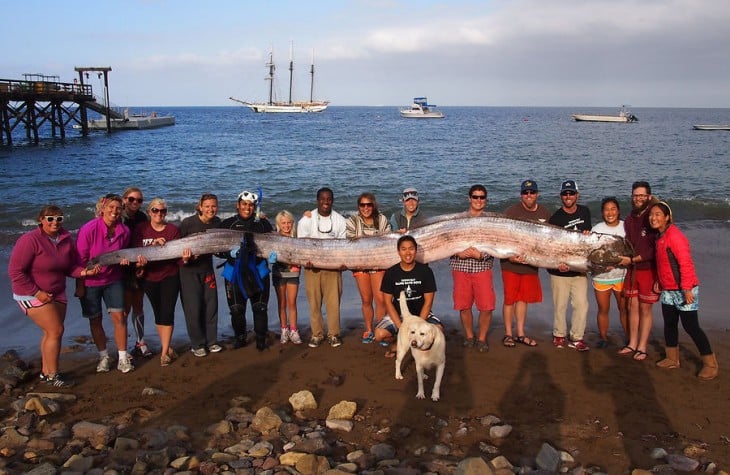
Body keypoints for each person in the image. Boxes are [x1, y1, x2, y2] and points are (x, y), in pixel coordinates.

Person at [8, 206, 99, 387]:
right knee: (55, 331)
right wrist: (37, 293)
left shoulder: (65, 240)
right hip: (30, 293)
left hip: (57, 292)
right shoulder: (30, 240)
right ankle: (53, 376)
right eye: (50, 219)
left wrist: (85, 273)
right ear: (41, 220)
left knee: (50, 333)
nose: (54, 222)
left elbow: (69, 268)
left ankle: (45, 372)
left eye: (59, 219)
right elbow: (16, 272)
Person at [649, 202, 718, 380]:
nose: (653, 218)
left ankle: (710, 364)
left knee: (691, 326)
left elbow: (685, 264)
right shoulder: (660, 236)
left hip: (684, 289)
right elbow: (663, 263)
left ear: (667, 217)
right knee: (669, 324)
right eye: (651, 215)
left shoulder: (675, 236)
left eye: (658, 214)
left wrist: (687, 289)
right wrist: (659, 280)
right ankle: (672, 358)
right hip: (668, 290)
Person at [76, 194, 134, 374]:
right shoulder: (88, 229)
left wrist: (125, 261)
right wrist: (80, 284)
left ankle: (123, 358)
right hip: (90, 281)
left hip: (113, 279)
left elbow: (123, 254)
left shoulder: (124, 231)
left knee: (120, 317)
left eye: (118, 208)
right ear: (102, 208)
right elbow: (80, 260)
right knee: (95, 320)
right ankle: (104, 356)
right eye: (111, 207)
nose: (114, 211)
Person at [219, 190, 273, 351]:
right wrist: (227, 253)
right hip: (234, 273)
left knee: (260, 307)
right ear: (238, 205)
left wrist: (272, 256)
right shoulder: (227, 224)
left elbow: (273, 245)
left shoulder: (263, 224)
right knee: (237, 310)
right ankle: (240, 338)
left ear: (254, 207)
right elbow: (215, 248)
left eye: (250, 205)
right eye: (244, 204)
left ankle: (261, 339)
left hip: (258, 271)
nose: (247, 208)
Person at [500, 179, 551, 348]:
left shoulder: (545, 213)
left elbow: (550, 242)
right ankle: (508, 334)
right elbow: (500, 237)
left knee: (523, 300)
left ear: (537, 194)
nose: (529, 195)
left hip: (530, 265)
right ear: (521, 194)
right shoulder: (511, 211)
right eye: (525, 193)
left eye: (532, 192)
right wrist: (509, 257)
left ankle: (520, 333)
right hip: (511, 264)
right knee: (509, 299)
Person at [133, 198, 182, 366]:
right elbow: (136, 252)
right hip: (149, 277)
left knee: (167, 312)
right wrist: (149, 250)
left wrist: (187, 258)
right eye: (155, 210)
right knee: (158, 312)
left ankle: (164, 354)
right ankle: (167, 348)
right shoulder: (141, 229)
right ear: (149, 212)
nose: (159, 214)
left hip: (169, 275)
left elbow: (178, 257)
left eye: (162, 211)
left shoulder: (172, 230)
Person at [297, 187, 347, 348]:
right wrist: (306, 260)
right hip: (312, 269)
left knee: (333, 304)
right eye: (322, 199)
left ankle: (334, 334)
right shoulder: (306, 220)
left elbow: (343, 246)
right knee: (314, 303)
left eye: (329, 199)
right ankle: (317, 334)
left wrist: (343, 263)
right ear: (317, 200)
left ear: (332, 200)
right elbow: (301, 244)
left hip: (333, 269)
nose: (326, 202)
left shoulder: (340, 220)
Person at [378, 235, 443, 357]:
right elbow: (387, 301)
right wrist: (401, 328)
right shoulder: (391, 273)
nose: (408, 252)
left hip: (421, 314)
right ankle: (398, 342)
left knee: (438, 330)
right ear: (398, 252)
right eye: (404, 249)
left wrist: (419, 326)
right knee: (380, 334)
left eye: (411, 249)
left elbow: (428, 302)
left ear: (416, 250)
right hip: (399, 315)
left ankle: (417, 345)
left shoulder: (426, 271)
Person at [449, 184, 495, 353]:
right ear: (469, 199)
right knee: (464, 305)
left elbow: (497, 243)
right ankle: (469, 336)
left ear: (486, 200)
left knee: (487, 306)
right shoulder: (457, 219)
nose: (478, 200)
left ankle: (482, 338)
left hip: (482, 267)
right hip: (460, 267)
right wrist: (457, 253)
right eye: (475, 197)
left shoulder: (492, 220)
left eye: (482, 197)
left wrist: (482, 256)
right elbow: (447, 241)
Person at [547, 180, 592, 351]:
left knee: (582, 304)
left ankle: (576, 337)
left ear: (577, 195)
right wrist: (558, 264)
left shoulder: (585, 211)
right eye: (565, 194)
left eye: (571, 193)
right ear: (561, 197)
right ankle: (559, 335)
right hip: (560, 270)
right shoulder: (556, 218)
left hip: (579, 270)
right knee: (560, 305)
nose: (568, 196)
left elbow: (586, 240)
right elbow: (550, 245)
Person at [616, 181, 658, 361]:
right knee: (631, 306)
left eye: (642, 195)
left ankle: (642, 346)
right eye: (635, 195)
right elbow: (629, 245)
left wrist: (632, 260)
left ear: (648, 196)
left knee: (645, 308)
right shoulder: (630, 218)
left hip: (647, 269)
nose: (638, 198)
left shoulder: (653, 216)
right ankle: (632, 343)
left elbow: (652, 250)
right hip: (632, 270)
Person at [179, 193, 222, 357]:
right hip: (188, 271)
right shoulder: (188, 223)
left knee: (211, 306)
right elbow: (176, 247)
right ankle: (197, 344)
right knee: (193, 308)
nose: (211, 209)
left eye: (214, 206)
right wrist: (186, 258)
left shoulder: (217, 223)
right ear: (200, 207)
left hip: (207, 269)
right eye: (208, 206)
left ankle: (211, 341)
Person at [346, 192, 392, 343]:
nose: (366, 208)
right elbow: (349, 243)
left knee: (381, 299)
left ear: (373, 205)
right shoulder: (353, 221)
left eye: (369, 204)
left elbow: (388, 241)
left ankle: (380, 328)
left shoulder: (382, 219)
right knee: (366, 299)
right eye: (362, 205)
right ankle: (368, 330)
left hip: (378, 263)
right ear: (359, 207)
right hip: (360, 264)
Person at [591, 197, 628, 347]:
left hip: (622, 276)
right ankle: (603, 337)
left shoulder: (627, 227)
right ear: (602, 212)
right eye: (606, 209)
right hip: (601, 277)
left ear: (618, 211)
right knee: (603, 309)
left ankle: (629, 338)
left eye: (613, 209)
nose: (610, 212)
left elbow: (632, 251)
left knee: (624, 309)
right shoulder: (596, 229)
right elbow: (591, 254)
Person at [121, 186, 152, 358]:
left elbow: (146, 239)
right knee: (124, 307)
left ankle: (141, 341)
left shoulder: (142, 217)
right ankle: (123, 347)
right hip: (122, 265)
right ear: (124, 199)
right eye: (131, 199)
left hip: (138, 263)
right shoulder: (119, 217)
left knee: (138, 305)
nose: (135, 203)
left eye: (139, 200)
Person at [272, 210, 302, 345]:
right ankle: (284, 329)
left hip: (293, 273)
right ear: (278, 224)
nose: (286, 225)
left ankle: (294, 330)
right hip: (278, 274)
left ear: (292, 223)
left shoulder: (297, 237)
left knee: (292, 303)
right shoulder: (274, 237)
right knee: (282, 303)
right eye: (283, 223)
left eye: (289, 222)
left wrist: (307, 214)